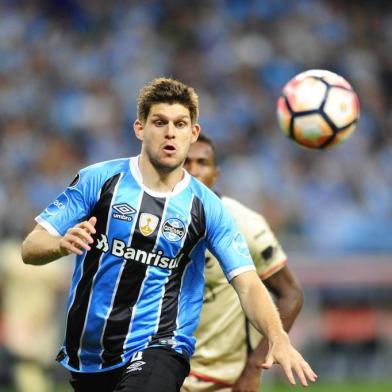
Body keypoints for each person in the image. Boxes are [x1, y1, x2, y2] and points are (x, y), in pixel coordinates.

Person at [21, 77, 317, 392]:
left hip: (162, 345)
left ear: (193, 133)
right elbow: (30, 247)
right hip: (88, 356)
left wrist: (278, 338)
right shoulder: (99, 180)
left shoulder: (206, 207)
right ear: (140, 128)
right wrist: (60, 244)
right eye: (160, 122)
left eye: (180, 124)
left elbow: (247, 284)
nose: (170, 133)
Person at [182, 134, 304, 392]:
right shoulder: (146, 221)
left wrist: (253, 368)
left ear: (215, 173)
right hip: (156, 371)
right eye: (184, 162)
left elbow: (290, 294)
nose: (193, 171)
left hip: (219, 381)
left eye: (202, 163)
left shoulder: (244, 223)